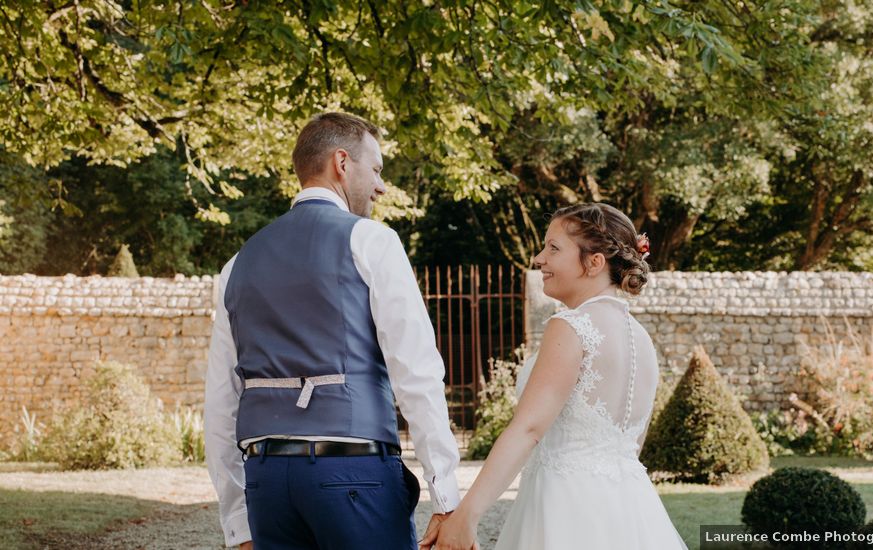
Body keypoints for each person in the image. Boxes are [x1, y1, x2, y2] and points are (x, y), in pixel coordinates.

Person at [205, 112, 461, 549]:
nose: (381, 186)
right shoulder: (373, 241)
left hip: (267, 484)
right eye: (376, 169)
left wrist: (238, 523)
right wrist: (446, 496)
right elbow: (415, 371)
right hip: (352, 476)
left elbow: (221, 401)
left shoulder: (236, 266)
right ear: (342, 162)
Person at [421, 203, 688, 550]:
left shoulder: (571, 327)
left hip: (566, 509)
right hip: (633, 512)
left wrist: (466, 515)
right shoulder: (641, 340)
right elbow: (632, 445)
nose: (538, 259)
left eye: (554, 248)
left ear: (594, 262)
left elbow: (528, 428)